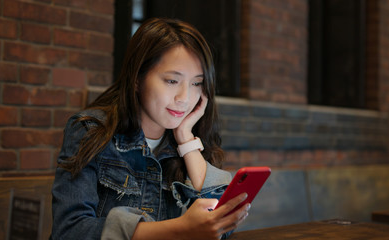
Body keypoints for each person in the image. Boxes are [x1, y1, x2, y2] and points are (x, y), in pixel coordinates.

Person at [50, 18, 250, 240]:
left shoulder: (184, 140)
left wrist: (186, 141)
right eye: (172, 81)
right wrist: (180, 229)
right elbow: (69, 230)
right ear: (137, 78)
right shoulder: (91, 130)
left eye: (196, 84)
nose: (185, 98)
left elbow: (222, 224)